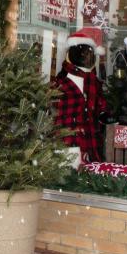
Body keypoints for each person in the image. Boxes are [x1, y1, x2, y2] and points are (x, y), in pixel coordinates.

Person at [51, 29, 107, 165]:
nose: (86, 56)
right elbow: (53, 113)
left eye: (89, 53)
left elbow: (102, 108)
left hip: (91, 142)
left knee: (88, 176)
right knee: (68, 174)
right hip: (67, 142)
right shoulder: (60, 83)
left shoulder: (94, 82)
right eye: (82, 53)